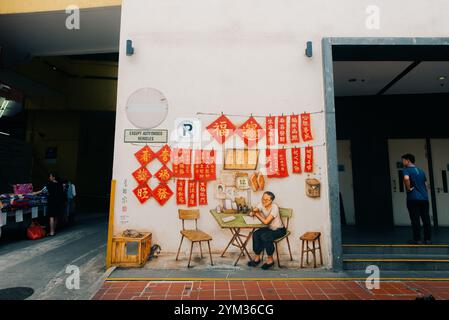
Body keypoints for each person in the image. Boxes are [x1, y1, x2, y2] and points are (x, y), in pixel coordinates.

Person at [247, 191, 286, 270]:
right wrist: (253, 211)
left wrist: (256, 214)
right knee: (256, 234)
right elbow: (255, 210)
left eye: (266, 200)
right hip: (269, 228)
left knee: (265, 236)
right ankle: (257, 258)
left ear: (271, 201)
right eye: (263, 199)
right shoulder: (261, 204)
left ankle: (270, 260)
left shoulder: (274, 207)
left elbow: (266, 222)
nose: (263, 201)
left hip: (279, 230)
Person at [401, 154, 432, 244]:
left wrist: (408, 188)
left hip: (413, 198)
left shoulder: (406, 170)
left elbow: (406, 179)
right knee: (426, 218)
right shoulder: (421, 171)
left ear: (408, 160)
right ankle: (428, 239)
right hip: (424, 199)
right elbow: (426, 185)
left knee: (415, 219)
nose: (402, 162)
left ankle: (417, 239)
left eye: (403, 160)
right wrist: (424, 193)